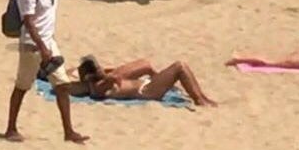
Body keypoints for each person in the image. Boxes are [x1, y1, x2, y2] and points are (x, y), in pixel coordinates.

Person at [5, 0, 88, 144]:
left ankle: (69, 131)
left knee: (62, 85)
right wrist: (41, 46)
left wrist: (48, 44)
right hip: (32, 46)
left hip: (49, 42)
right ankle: (11, 128)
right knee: (22, 86)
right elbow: (29, 21)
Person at [75, 57, 217, 107]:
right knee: (180, 66)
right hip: (147, 91)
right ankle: (199, 100)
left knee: (179, 67)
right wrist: (109, 76)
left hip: (146, 84)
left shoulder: (98, 82)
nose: (101, 69)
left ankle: (202, 97)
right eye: (98, 69)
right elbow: (112, 80)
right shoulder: (98, 87)